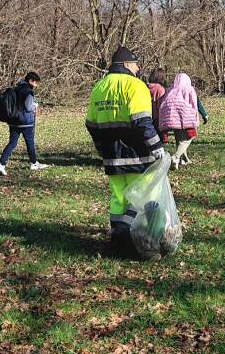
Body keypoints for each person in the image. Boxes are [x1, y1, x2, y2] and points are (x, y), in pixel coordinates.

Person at [86, 46, 165, 247]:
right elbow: (142, 121)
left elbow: (91, 124)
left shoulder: (99, 87)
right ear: (127, 64)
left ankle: (118, 240)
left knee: (118, 198)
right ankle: (146, 239)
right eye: (136, 64)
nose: (138, 68)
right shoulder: (135, 86)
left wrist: (101, 147)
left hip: (112, 156)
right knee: (145, 196)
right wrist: (156, 146)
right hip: (138, 155)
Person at [0, 72, 50, 175]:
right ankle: (34, 164)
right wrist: (35, 106)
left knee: (12, 143)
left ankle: (1, 164)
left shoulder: (16, 88)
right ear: (30, 81)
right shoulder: (28, 91)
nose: (36, 85)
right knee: (30, 142)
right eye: (35, 82)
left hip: (13, 121)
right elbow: (28, 107)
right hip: (25, 122)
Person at [158, 72, 203, 170]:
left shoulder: (171, 90)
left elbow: (163, 103)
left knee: (179, 139)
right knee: (187, 139)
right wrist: (196, 117)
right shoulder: (189, 89)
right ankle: (175, 157)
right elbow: (194, 103)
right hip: (184, 117)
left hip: (171, 119)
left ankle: (182, 160)